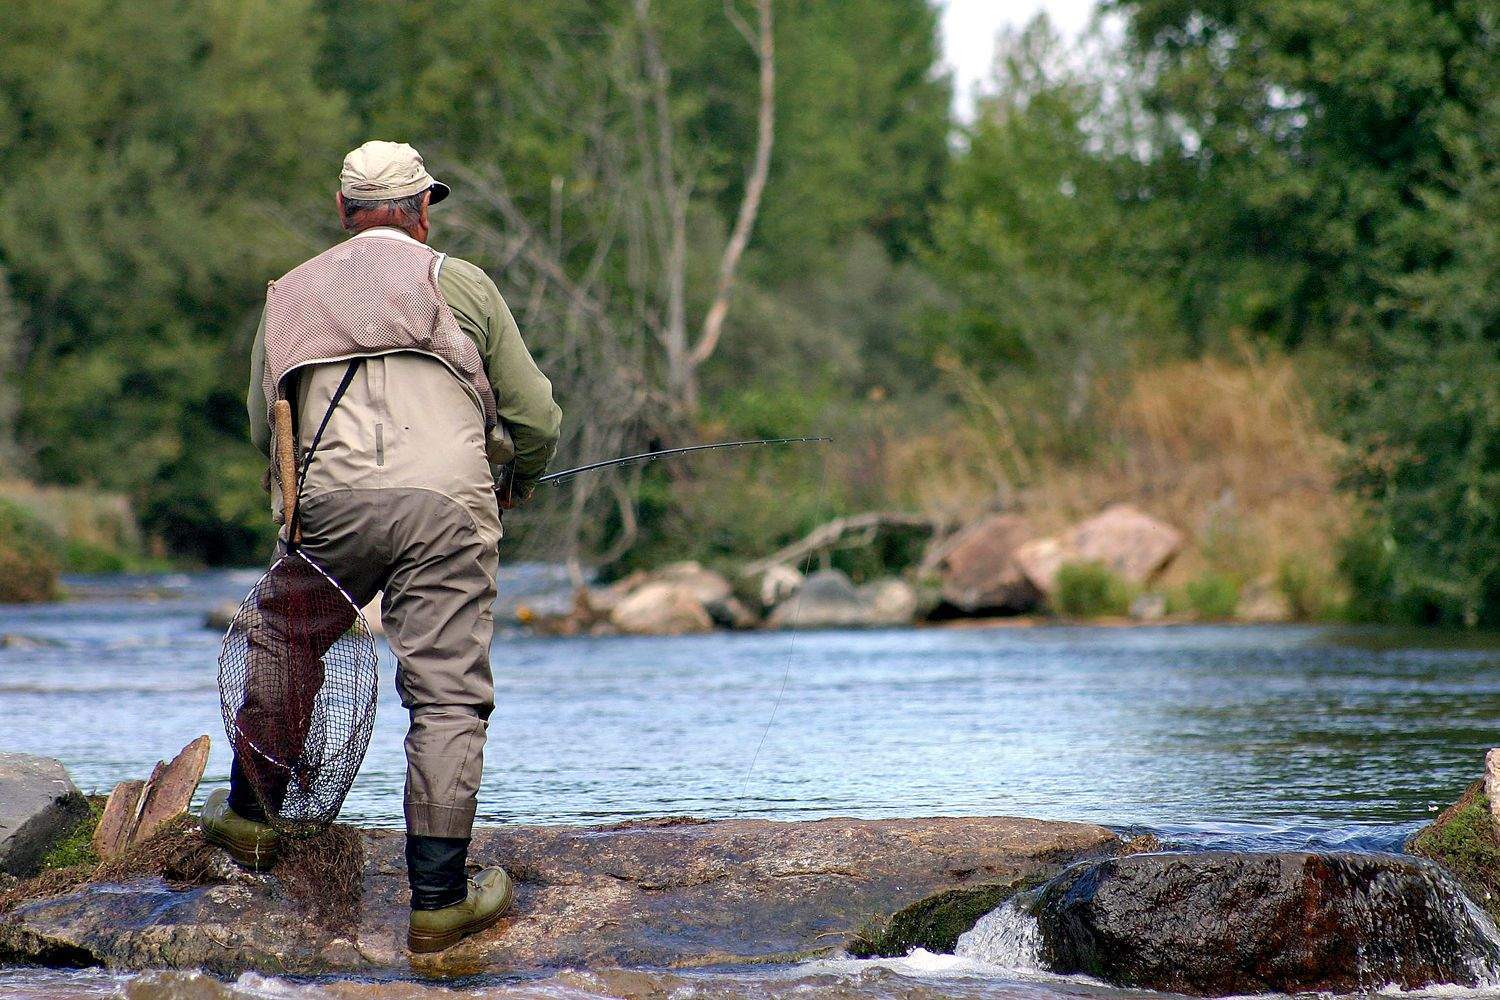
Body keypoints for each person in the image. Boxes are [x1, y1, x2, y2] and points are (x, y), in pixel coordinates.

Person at [200, 140, 561, 954]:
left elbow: (268, 428)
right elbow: (537, 416)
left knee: (287, 639)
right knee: (444, 692)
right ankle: (438, 902)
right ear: (423, 210)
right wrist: (519, 479)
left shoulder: (289, 294)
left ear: (342, 212)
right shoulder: (458, 282)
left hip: (329, 506)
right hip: (449, 509)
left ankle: (253, 820)